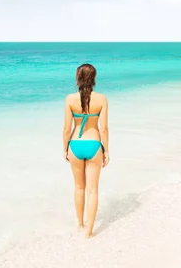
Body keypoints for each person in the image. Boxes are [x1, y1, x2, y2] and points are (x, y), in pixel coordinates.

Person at [63, 63, 109, 238]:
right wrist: (106, 150)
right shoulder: (102, 99)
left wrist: (64, 148)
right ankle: (89, 232)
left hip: (75, 145)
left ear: (77, 78)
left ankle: (80, 224)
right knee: (93, 190)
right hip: (94, 145)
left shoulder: (69, 99)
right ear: (94, 78)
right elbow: (103, 128)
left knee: (78, 187)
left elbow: (67, 129)